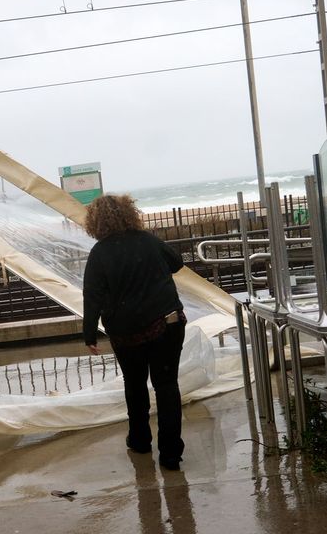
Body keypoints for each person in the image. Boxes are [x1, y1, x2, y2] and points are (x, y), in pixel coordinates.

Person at [81, 194, 187, 470]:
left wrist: (89, 333)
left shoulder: (99, 253)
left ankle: (140, 440)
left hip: (126, 332)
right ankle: (171, 454)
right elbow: (177, 262)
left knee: (135, 383)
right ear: (130, 214)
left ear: (95, 222)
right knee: (166, 385)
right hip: (166, 322)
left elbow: (92, 296)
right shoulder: (148, 241)